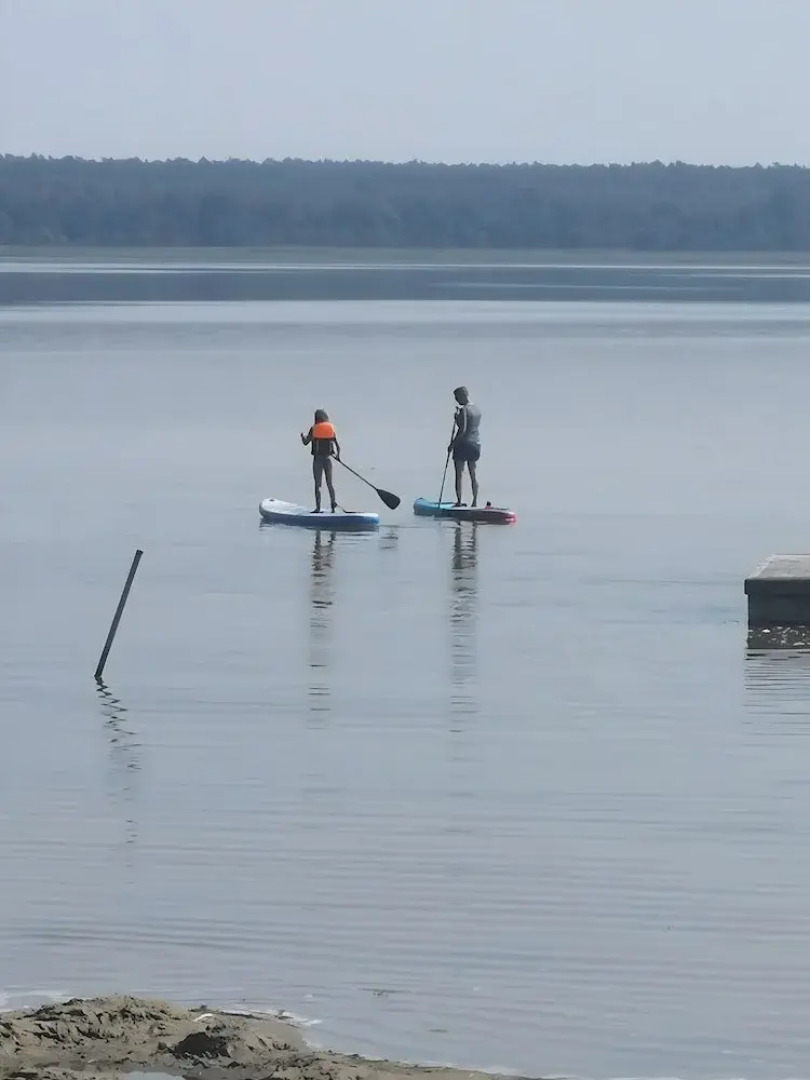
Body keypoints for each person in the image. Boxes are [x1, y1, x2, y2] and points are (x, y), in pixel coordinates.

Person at [301, 409, 340, 513]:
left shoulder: (314, 429)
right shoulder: (330, 428)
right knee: (330, 484)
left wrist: (302, 436)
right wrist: (338, 456)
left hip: (318, 460)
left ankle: (318, 508)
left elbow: (306, 442)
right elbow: (337, 446)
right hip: (328, 459)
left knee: (318, 485)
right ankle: (333, 508)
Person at [448, 386, 481, 507]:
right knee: (473, 473)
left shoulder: (464, 410)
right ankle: (475, 501)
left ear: (463, 396)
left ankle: (459, 501)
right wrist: (458, 419)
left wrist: (452, 445)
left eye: (457, 397)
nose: (456, 400)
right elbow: (471, 426)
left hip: (463, 444)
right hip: (475, 444)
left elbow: (462, 430)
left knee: (459, 473)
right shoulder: (477, 410)